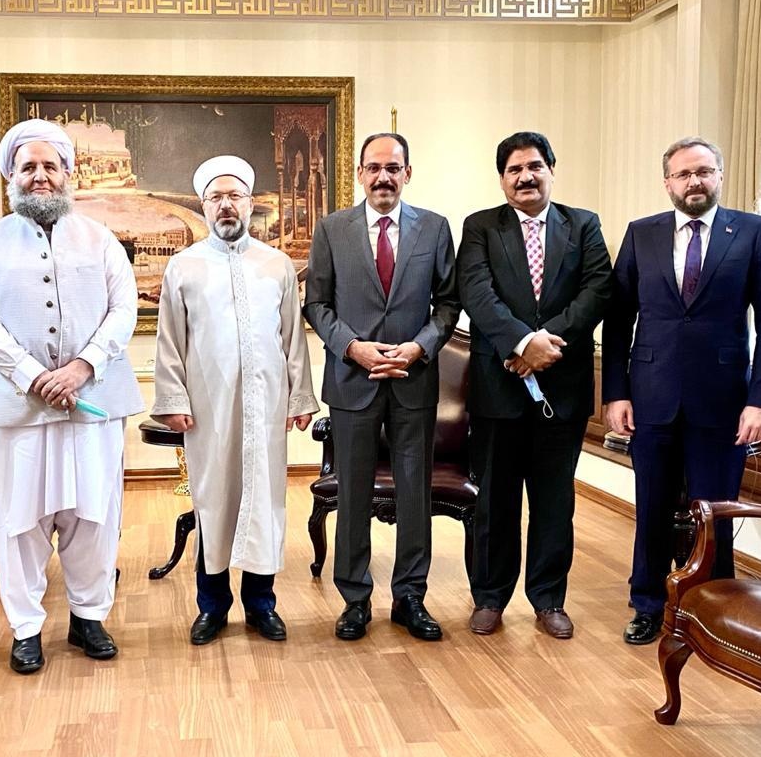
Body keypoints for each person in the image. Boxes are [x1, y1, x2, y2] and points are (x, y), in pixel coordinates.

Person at [0, 119, 143, 673]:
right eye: (28, 167)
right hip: (19, 407)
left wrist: (83, 366)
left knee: (94, 515)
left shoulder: (102, 239)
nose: (40, 176)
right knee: (21, 521)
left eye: (50, 166)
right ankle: (26, 629)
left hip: (94, 402)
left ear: (68, 173)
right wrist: (31, 373)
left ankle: (89, 617)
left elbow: (124, 309)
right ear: (11, 177)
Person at [603, 136, 761, 645]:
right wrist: (616, 393)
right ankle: (648, 604)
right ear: (667, 182)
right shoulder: (641, 234)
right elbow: (617, 320)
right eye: (684, 174)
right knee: (652, 507)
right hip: (651, 397)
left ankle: (713, 608)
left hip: (724, 402)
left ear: (719, 176)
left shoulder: (752, 232)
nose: (694, 182)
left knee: (715, 511)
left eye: (704, 171)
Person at [152, 155, 318, 646]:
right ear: (204, 205)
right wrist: (173, 399)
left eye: (235, 196)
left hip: (267, 406)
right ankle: (212, 606)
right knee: (214, 501)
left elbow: (293, 338)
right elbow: (169, 341)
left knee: (264, 501)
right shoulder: (183, 266)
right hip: (209, 407)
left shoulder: (277, 264)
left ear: (249, 203)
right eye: (216, 197)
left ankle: (261, 605)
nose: (226, 205)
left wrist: (300, 397)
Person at [305, 132, 460, 642]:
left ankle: (410, 597)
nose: (383, 177)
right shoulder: (333, 229)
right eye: (373, 168)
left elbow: (448, 303)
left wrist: (418, 348)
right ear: (359, 174)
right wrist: (353, 348)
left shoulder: (434, 228)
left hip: (414, 380)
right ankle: (354, 600)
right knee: (352, 492)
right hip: (353, 380)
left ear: (407, 173)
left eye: (393, 168)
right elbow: (316, 304)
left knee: (414, 493)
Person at [457, 131, 612, 640]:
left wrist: (547, 344)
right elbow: (476, 293)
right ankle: (489, 597)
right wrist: (522, 343)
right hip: (498, 386)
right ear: (502, 179)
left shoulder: (583, 224)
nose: (525, 177)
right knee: (494, 501)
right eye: (514, 170)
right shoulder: (481, 227)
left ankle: (548, 599)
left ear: (550, 170)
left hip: (563, 388)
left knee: (554, 503)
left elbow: (597, 289)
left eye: (534, 167)